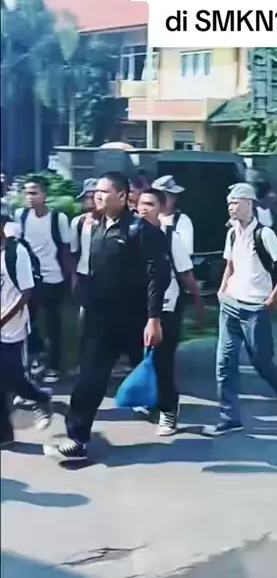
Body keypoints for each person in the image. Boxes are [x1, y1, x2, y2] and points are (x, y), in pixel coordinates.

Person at [46, 172, 171, 461]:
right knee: (89, 379)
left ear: (123, 196)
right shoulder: (97, 226)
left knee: (157, 371)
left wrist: (153, 319)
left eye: (104, 192)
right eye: (96, 192)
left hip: (134, 319)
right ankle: (78, 438)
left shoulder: (143, 231)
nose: (97, 196)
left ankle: (168, 410)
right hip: (100, 320)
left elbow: (158, 277)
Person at [213, 183, 277, 435]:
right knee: (224, 364)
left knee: (261, 360)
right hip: (230, 304)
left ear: (249, 204)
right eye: (229, 203)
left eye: (235, 202)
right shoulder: (231, 233)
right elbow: (230, 265)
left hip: (255, 307)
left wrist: (273, 298)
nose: (231, 207)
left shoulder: (264, 234)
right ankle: (229, 417)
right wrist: (222, 290)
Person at [136, 188, 205, 435]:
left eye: (151, 204)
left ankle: (169, 411)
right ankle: (150, 400)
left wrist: (198, 303)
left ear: (162, 209)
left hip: (166, 307)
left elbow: (186, 274)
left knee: (163, 360)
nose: (144, 209)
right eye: (141, 204)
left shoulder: (169, 236)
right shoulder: (130, 235)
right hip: (137, 307)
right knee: (144, 358)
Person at [1, 213, 52, 447]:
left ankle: (40, 397)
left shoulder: (15, 252)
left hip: (12, 327)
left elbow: (26, 292)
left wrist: (2, 319)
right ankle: (4, 435)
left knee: (11, 377)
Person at [15, 176, 71, 383]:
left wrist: (70, 277)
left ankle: (54, 365)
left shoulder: (58, 218)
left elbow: (66, 249)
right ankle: (34, 359)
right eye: (27, 193)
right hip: (29, 277)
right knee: (28, 321)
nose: (30, 197)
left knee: (53, 323)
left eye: (34, 193)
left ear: (44, 195)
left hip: (53, 277)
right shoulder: (21, 216)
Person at [70, 179, 97, 312]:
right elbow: (74, 252)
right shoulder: (78, 222)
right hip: (84, 273)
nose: (90, 201)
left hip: (106, 276)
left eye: (93, 197)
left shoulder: (112, 222)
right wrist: (74, 277)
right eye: (87, 197)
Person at [151, 174, 194, 256]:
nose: (173, 197)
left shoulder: (182, 220)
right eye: (167, 195)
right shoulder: (147, 215)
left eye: (173, 195)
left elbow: (186, 252)